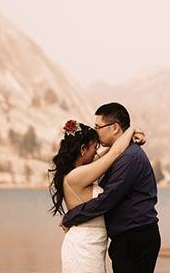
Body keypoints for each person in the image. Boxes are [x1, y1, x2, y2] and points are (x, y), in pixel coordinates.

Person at [63, 102, 161, 273]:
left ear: (115, 128)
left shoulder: (130, 157)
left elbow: (108, 199)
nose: (95, 132)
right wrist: (131, 132)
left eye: (98, 127)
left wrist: (72, 216)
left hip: (136, 236)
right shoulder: (120, 154)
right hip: (127, 237)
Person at [49, 115, 145, 273]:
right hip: (83, 246)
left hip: (92, 245)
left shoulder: (80, 172)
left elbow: (108, 153)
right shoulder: (76, 176)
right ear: (82, 150)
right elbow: (114, 153)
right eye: (94, 148)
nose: (96, 153)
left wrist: (124, 138)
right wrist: (131, 130)